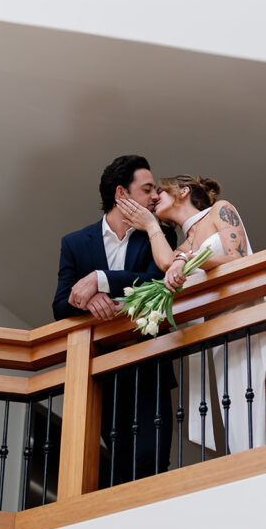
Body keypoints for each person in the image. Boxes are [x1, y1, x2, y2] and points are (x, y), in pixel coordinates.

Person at [116, 174, 266, 453]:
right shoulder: (181, 247)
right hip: (222, 335)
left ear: (182, 192)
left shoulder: (220, 211)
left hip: (252, 316)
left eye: (160, 193)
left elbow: (238, 261)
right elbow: (167, 263)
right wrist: (152, 225)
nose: (154, 199)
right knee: (239, 416)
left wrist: (192, 260)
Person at [52, 154, 177, 481]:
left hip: (149, 367)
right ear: (122, 194)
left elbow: (154, 281)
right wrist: (89, 298)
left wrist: (100, 279)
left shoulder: (159, 236)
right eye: (147, 188)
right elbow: (59, 305)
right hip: (101, 375)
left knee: (152, 461)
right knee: (116, 467)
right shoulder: (75, 243)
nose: (155, 196)